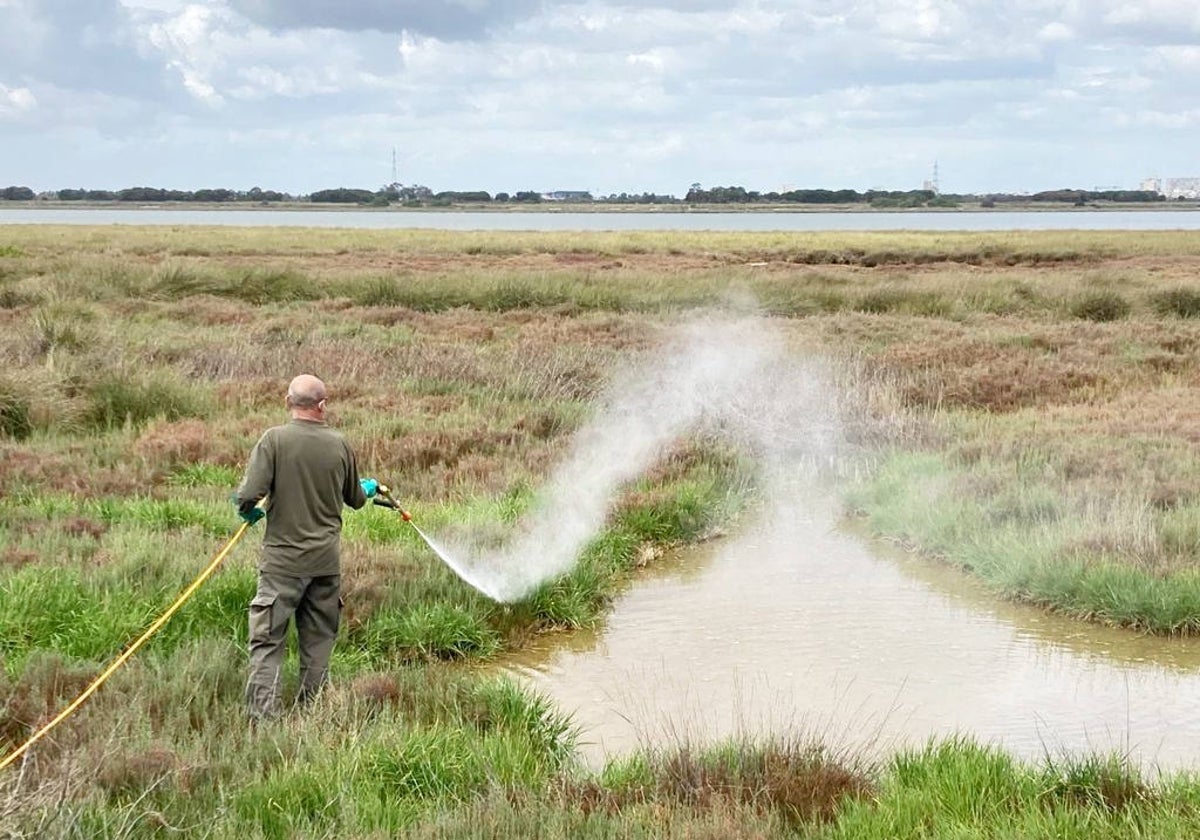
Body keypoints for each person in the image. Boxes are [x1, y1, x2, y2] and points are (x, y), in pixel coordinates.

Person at [234, 373, 378, 721]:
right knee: (318, 644)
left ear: (288, 402)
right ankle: (312, 714)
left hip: (281, 565)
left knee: (268, 644)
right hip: (325, 566)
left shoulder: (274, 440)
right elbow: (356, 500)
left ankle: (263, 721)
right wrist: (368, 488)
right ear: (323, 406)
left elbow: (247, 494)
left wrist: (248, 510)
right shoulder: (340, 444)